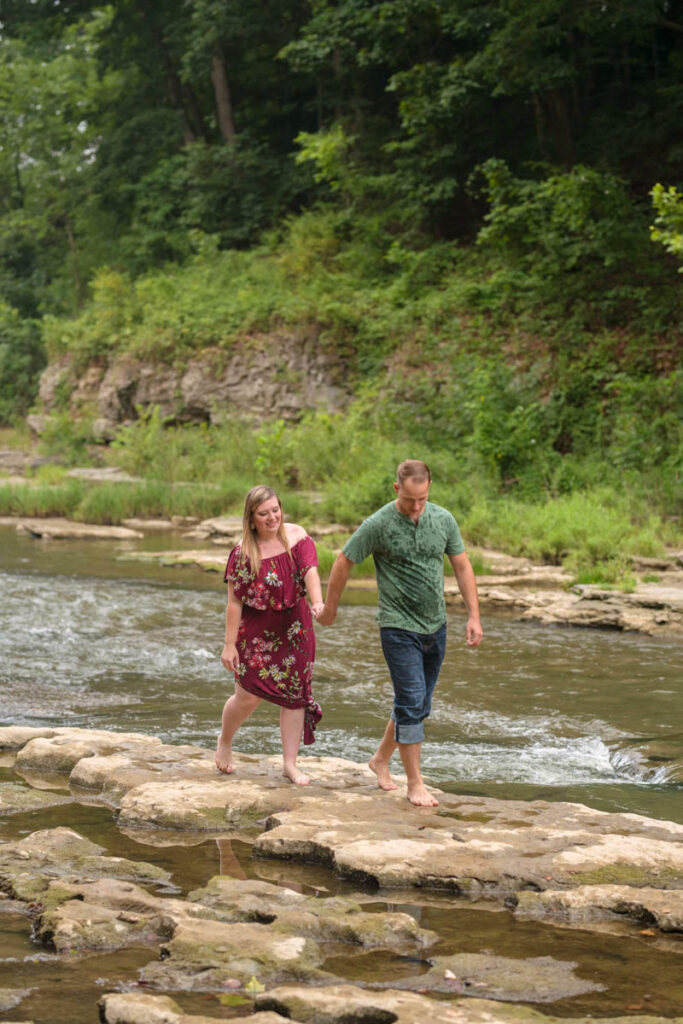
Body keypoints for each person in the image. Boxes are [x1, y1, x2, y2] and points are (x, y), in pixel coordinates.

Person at [317, 459, 483, 807]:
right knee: (410, 701)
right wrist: (330, 609)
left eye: (422, 498)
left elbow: (462, 565)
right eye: (410, 499)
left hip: (436, 626)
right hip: (397, 626)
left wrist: (474, 615)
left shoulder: (443, 519)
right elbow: (343, 561)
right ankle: (415, 782)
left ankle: (379, 759)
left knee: (419, 704)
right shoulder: (378, 524)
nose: (416, 505)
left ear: (429, 487)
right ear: (397, 489)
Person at [216, 485, 324, 785]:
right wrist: (228, 646)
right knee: (247, 696)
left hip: (295, 629)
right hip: (256, 634)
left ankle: (290, 764)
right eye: (264, 514)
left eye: (275, 510)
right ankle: (225, 739)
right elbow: (234, 602)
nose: (272, 517)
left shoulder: (297, 537)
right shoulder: (242, 553)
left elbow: (310, 571)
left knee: (294, 697)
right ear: (251, 519)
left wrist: (317, 601)